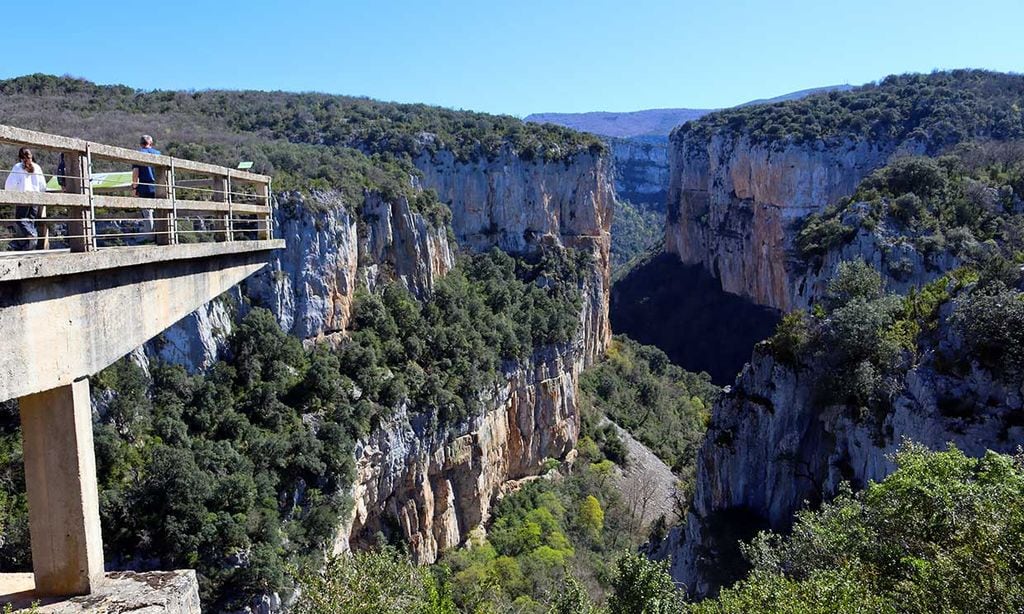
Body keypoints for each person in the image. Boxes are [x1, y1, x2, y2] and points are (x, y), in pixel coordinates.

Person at [4, 147, 48, 250]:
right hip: (35, 199)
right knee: (30, 222)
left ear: (19, 157)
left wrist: (13, 193)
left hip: (23, 198)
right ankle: (29, 246)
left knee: (20, 220)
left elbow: (10, 185)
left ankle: (31, 235)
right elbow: (43, 185)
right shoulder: (37, 167)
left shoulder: (18, 167)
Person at [132, 134, 161, 238]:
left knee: (147, 212)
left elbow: (136, 172)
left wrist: (134, 187)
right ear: (151, 143)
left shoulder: (138, 154)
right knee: (160, 211)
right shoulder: (158, 154)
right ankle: (161, 235)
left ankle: (150, 236)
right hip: (158, 186)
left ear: (140, 144)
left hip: (145, 186)